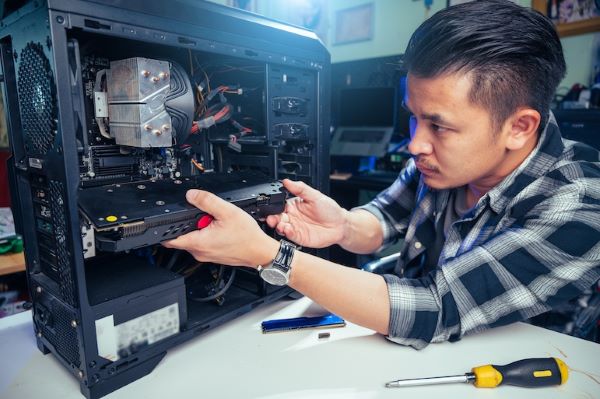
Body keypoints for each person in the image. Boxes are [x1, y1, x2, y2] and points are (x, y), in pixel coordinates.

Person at [165, 0, 600, 348]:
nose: (415, 144)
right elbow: (382, 220)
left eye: (439, 125)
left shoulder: (578, 207)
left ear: (518, 127)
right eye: (413, 118)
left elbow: (433, 306)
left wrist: (268, 255)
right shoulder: (441, 164)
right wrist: (341, 225)